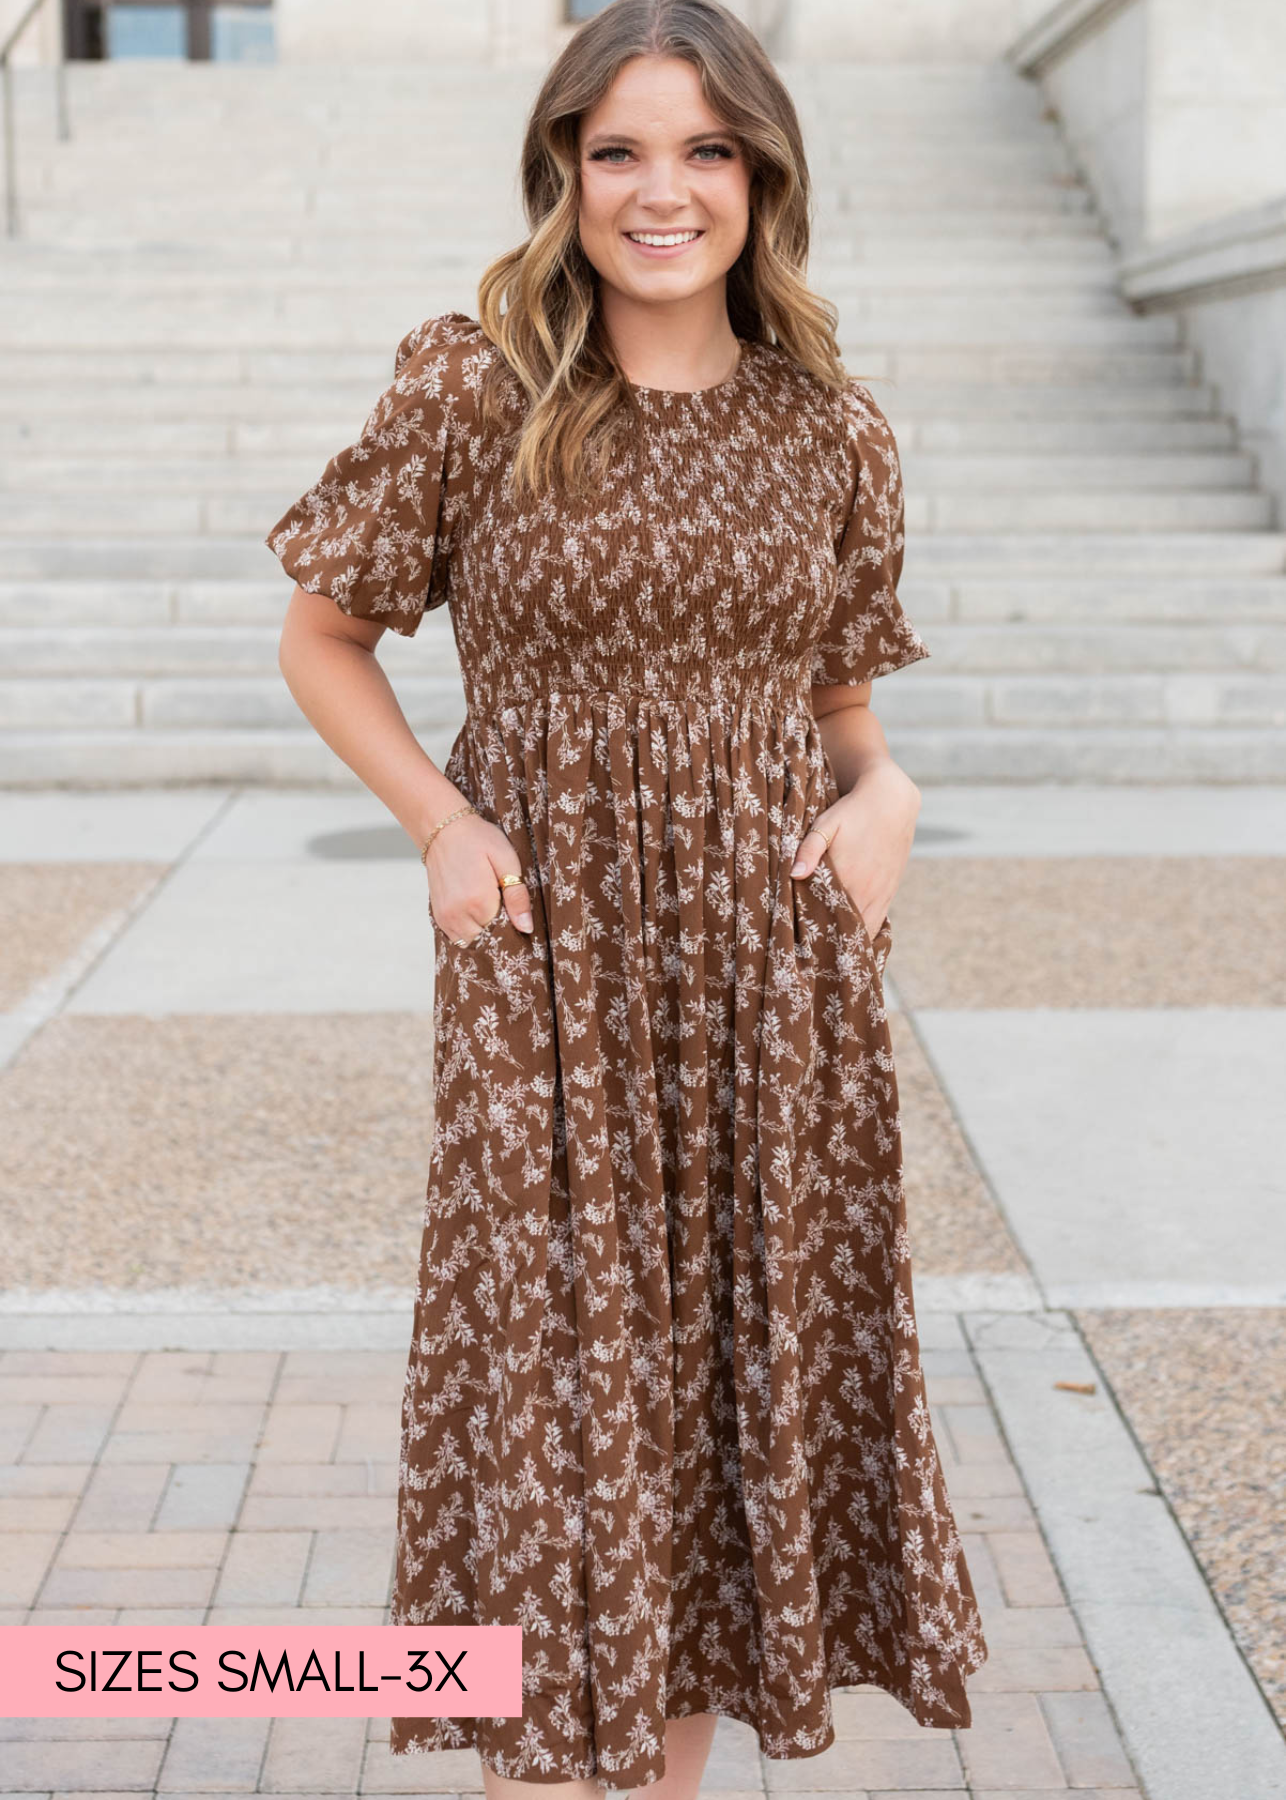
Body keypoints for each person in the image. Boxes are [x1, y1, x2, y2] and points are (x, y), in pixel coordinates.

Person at [264, 3, 988, 1797]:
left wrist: (889, 795)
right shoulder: (473, 379)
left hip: (770, 978)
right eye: (618, 153)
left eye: (704, 152)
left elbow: (843, 714)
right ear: (561, 171)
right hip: (545, 961)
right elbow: (323, 635)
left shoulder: (831, 428)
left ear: (762, 174)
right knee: (558, 1410)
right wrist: (439, 822)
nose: (661, 193)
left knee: (707, 1419)